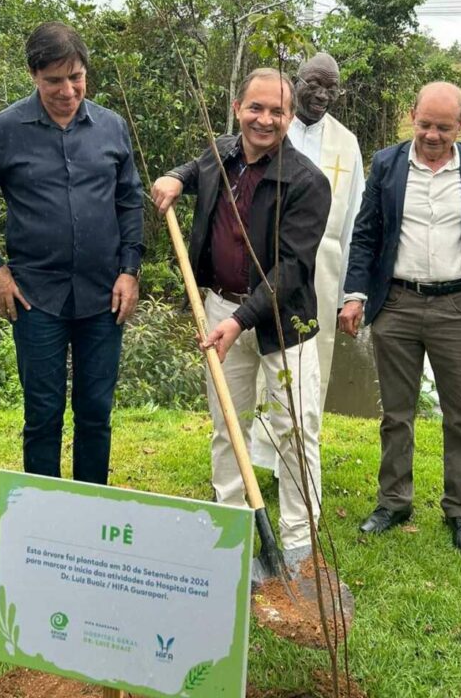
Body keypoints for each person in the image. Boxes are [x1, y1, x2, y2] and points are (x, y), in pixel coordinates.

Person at [151, 69, 331, 566]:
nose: (265, 120)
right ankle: (227, 531)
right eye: (256, 108)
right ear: (237, 108)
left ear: (291, 117)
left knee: (294, 429)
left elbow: (293, 267)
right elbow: (196, 166)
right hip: (220, 308)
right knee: (226, 425)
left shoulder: (308, 182)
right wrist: (176, 177)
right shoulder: (221, 154)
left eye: (277, 111)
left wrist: (240, 321)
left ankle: (297, 543)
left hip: (282, 322)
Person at [339, 82, 461, 559]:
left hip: (459, 308)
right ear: (411, 115)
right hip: (397, 304)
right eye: (424, 124)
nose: (432, 135)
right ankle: (393, 502)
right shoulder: (386, 164)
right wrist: (355, 295)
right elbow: (365, 235)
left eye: (443, 127)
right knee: (395, 413)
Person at [0, 22, 143, 485]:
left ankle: (89, 509)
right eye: (54, 80)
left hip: (104, 297)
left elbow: (129, 201)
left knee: (96, 411)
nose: (67, 90)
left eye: (76, 77)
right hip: (35, 297)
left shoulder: (111, 128)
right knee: (43, 412)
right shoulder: (3, 131)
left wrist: (130, 270)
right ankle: (42, 521)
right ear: (33, 75)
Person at [251, 52, 363, 470]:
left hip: (324, 272)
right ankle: (261, 457)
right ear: (295, 81)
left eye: (331, 87)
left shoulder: (346, 143)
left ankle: (298, 460)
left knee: (312, 365)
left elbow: (355, 219)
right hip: (268, 265)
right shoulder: (270, 129)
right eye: (313, 83)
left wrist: (352, 293)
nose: (322, 94)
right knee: (263, 361)